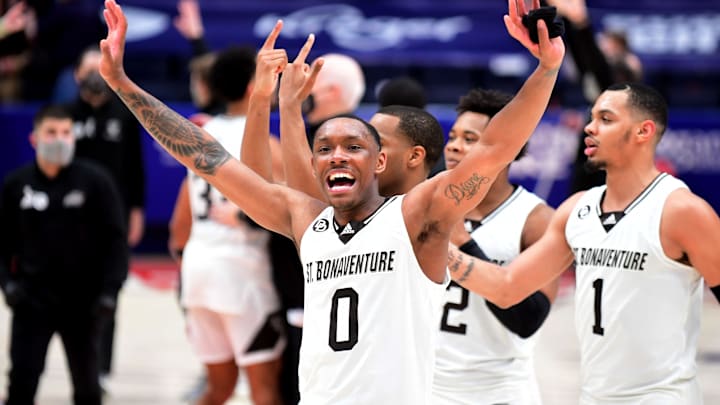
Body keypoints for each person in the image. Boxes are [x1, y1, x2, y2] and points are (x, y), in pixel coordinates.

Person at [97, 0, 564, 402]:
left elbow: (494, 148)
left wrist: (546, 69)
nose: (336, 155)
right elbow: (205, 155)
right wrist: (122, 83)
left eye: (353, 146)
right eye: (325, 148)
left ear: (380, 162)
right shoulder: (307, 219)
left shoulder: (416, 216)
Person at [448, 82, 720, 404]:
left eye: (606, 119)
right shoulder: (576, 209)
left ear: (643, 131)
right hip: (591, 396)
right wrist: (444, 246)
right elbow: (507, 287)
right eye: (592, 118)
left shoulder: (682, 211)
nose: (590, 128)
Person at [169, 46, 286, 405]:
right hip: (242, 272)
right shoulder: (265, 143)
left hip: (198, 270)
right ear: (255, 86)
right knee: (265, 389)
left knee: (218, 388)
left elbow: (179, 226)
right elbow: (292, 212)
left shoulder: (201, 134)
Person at [434, 88, 560, 404]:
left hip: (498, 391)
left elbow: (527, 320)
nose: (454, 147)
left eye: (469, 139)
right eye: (453, 136)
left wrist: (464, 242)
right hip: (428, 387)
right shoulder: (424, 203)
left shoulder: (536, 219)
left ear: (504, 147)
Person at [0, 105, 128, 405]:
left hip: (84, 302)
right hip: (32, 300)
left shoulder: (96, 182)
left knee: (87, 387)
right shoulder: (17, 185)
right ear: (35, 138)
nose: (60, 139)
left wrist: (111, 291)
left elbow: (116, 241)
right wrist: (7, 284)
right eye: (52, 132)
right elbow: (3, 243)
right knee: (21, 382)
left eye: (67, 133)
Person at [63, 45, 145, 390]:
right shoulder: (63, 116)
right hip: (68, 218)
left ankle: (102, 369)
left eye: (102, 67)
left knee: (108, 292)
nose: (95, 74)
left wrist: (137, 212)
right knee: (68, 292)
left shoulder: (124, 115)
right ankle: (75, 365)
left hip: (113, 219)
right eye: (89, 68)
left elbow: (135, 169)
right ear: (76, 75)